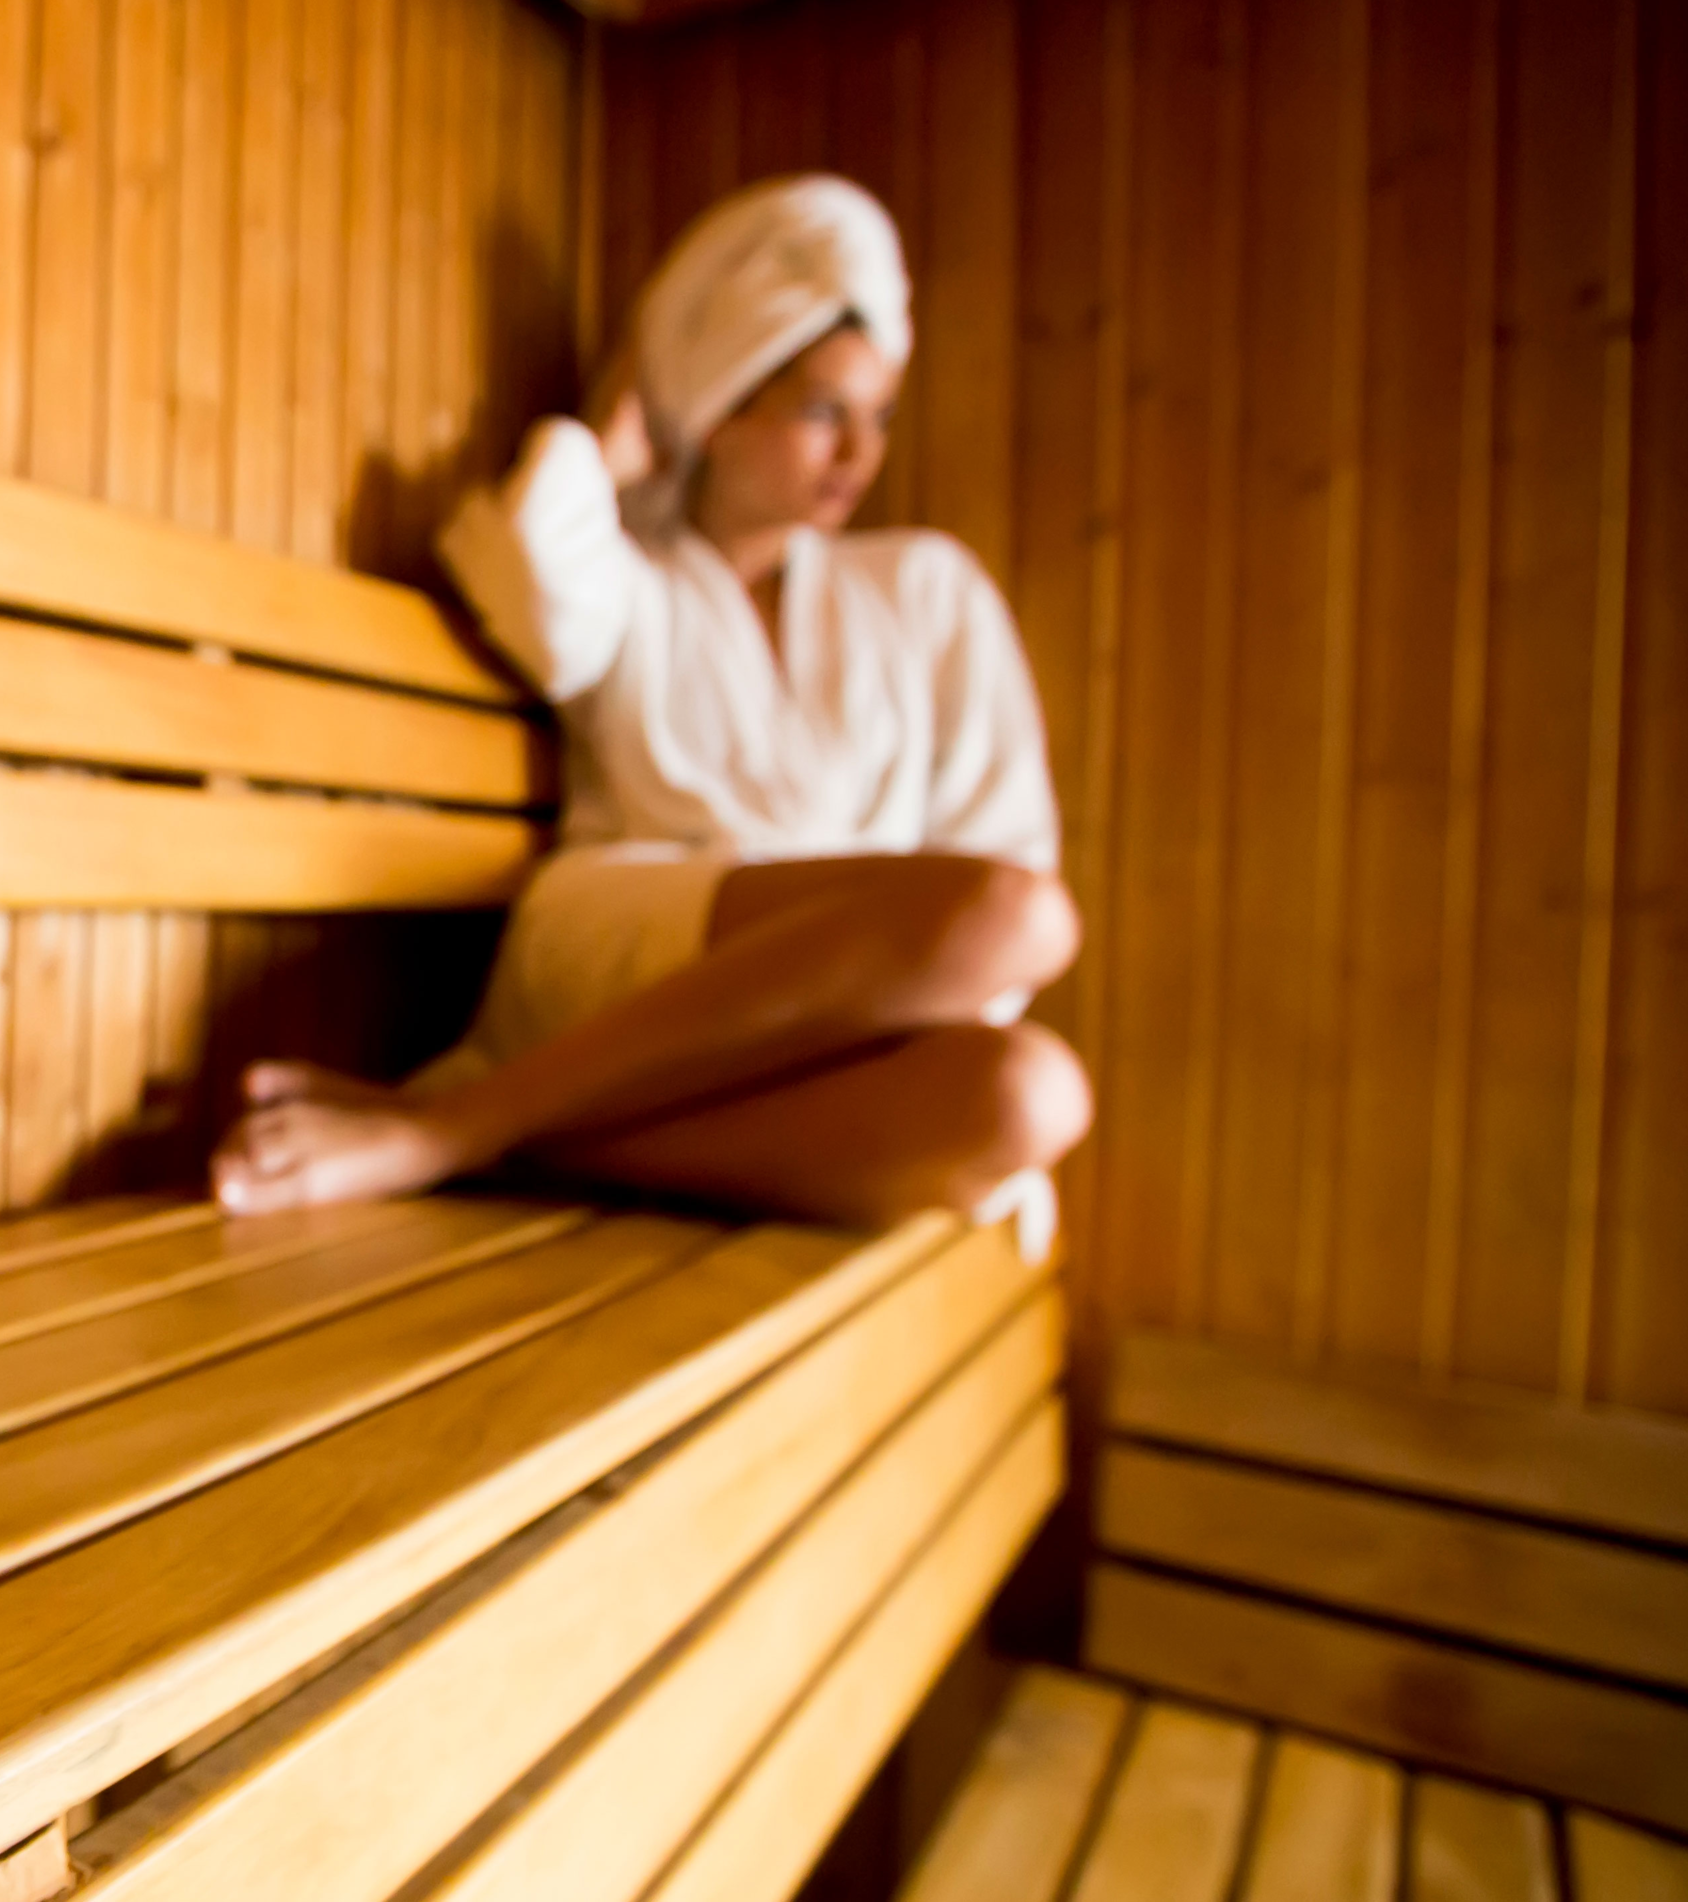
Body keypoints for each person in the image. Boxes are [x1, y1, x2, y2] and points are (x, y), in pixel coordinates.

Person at [210, 174, 1090, 1236]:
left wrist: (889, 1003)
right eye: (821, 411)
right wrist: (609, 440)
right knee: (1016, 913)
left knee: (1030, 1094)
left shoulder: (926, 589)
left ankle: (485, 1132)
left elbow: (997, 840)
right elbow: (534, 574)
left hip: (830, 1022)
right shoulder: (637, 583)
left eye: (878, 414)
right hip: (625, 950)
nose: (860, 452)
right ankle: (456, 1130)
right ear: (719, 409)